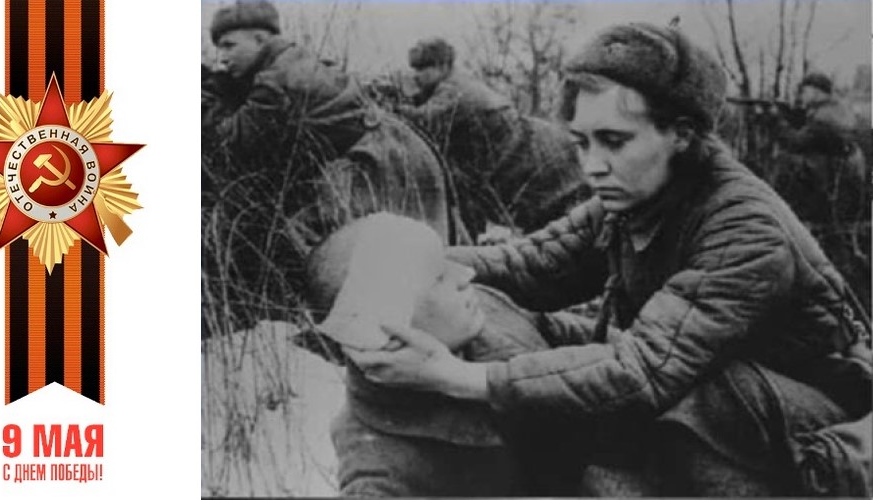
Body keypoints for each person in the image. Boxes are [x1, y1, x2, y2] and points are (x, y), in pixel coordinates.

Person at [345, 23, 872, 497]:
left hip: (812, 412)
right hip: (705, 381)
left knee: (691, 395)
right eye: (581, 143)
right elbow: (536, 264)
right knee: (528, 328)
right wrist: (417, 260)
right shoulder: (637, 194)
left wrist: (454, 376)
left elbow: (644, 372)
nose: (593, 166)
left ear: (682, 135)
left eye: (614, 142)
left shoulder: (744, 226)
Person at [201, 0, 454, 328]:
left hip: (378, 164)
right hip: (396, 149)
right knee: (411, 257)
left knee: (379, 258)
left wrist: (210, 95)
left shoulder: (276, 81)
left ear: (260, 39)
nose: (222, 57)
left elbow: (233, 142)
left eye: (229, 46)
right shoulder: (291, 59)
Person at [302, 212, 565, 497]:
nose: (466, 274)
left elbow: (578, 341)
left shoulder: (474, 310)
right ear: (390, 333)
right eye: (439, 277)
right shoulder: (380, 468)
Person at [396, 37, 587, 242]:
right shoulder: (452, 85)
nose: (416, 75)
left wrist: (392, 106)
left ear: (442, 65)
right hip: (529, 155)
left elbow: (424, 120)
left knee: (558, 226)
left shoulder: (454, 89)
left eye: (423, 68)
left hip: (531, 161)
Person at [772, 71, 871, 308]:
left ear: (817, 92)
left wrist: (777, 121)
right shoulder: (835, 112)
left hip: (826, 195)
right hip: (839, 192)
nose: (802, 95)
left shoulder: (824, 119)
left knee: (834, 258)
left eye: (805, 91)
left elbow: (796, 142)